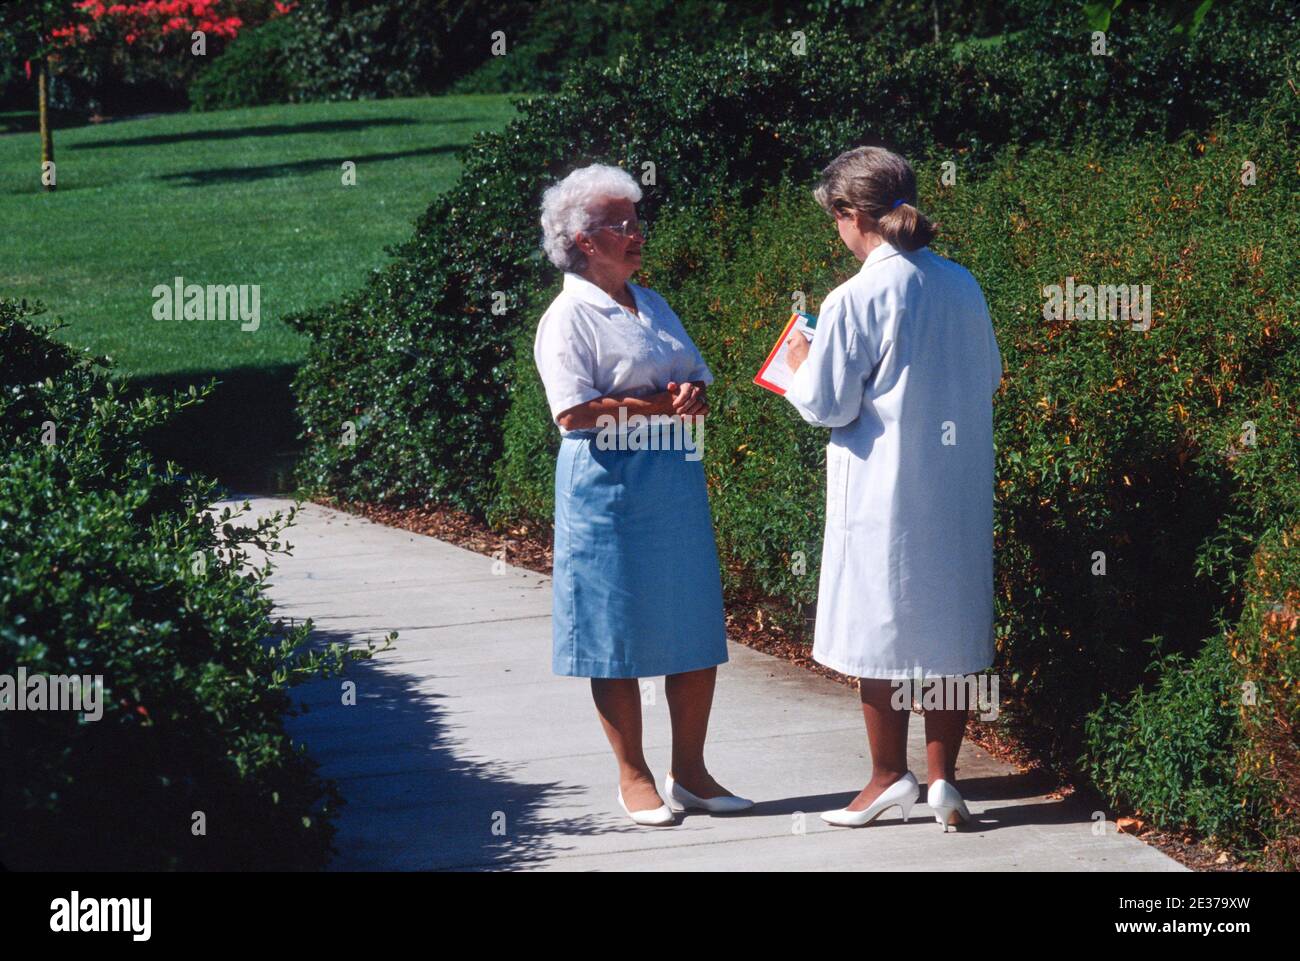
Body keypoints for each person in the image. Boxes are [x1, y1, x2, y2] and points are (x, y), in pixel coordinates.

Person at [782, 146, 1003, 831]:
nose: (837, 233)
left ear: (853, 215)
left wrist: (798, 363)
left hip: (883, 486)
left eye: (837, 219)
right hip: (957, 484)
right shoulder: (962, 283)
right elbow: (990, 375)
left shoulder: (852, 298)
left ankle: (886, 774)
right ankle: (944, 779)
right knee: (947, 619)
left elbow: (828, 404)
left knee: (879, 624)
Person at [533, 163, 753, 826]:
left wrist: (690, 394)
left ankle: (691, 771)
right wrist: (658, 404)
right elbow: (573, 414)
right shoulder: (568, 315)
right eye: (618, 224)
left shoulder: (649, 302)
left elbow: (694, 382)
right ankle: (632, 774)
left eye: (636, 221)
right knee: (614, 633)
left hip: (674, 483)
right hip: (609, 490)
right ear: (583, 240)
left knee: (692, 624)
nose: (635, 233)